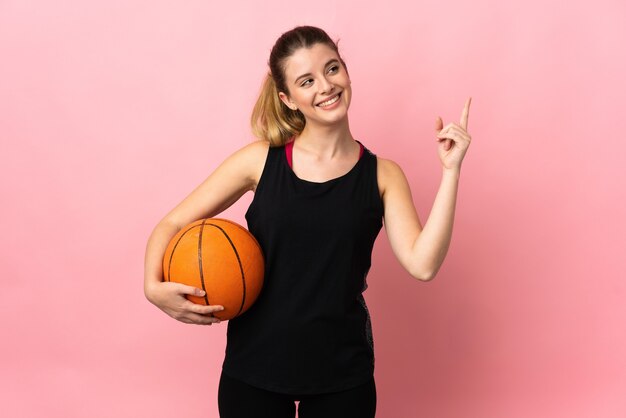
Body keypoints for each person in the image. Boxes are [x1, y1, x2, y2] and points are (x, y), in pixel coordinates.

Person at [143, 25, 471, 418]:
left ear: (346, 72)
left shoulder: (383, 175)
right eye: (307, 81)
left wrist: (450, 172)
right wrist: (152, 287)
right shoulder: (259, 161)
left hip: (341, 373)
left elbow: (423, 264)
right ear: (289, 99)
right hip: (254, 369)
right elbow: (171, 223)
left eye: (332, 69)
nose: (326, 86)